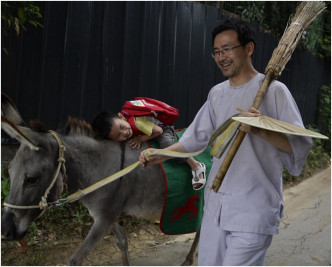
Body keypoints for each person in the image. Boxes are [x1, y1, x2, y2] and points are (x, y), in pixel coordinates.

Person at [139, 18, 312, 265]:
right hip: (216, 207)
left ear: (249, 48)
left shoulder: (274, 91)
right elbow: (194, 138)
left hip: (254, 208)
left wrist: (262, 129)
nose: (222, 57)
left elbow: (300, 145)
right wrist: (162, 154)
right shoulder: (217, 93)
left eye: (228, 49)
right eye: (217, 52)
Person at [92, 110, 206, 190]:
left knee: (169, 148)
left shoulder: (137, 122)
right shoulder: (127, 127)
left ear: (121, 117)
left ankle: (195, 165)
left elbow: (159, 131)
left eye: (122, 127)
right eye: (118, 136)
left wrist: (141, 138)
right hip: (150, 131)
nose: (125, 133)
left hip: (162, 128)